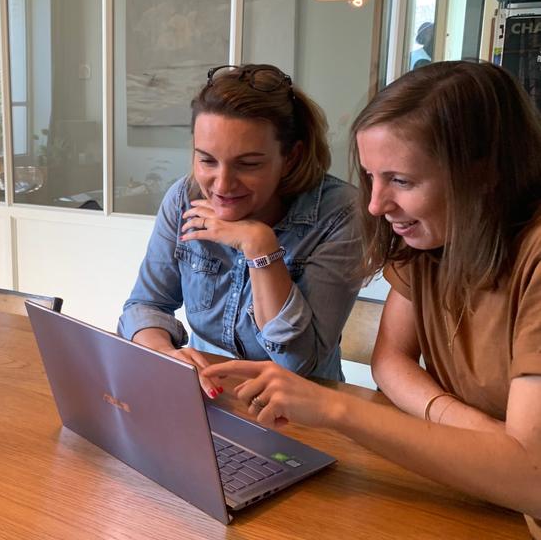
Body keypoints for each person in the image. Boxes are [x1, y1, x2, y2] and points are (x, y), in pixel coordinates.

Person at [203, 60, 541, 535]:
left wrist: (336, 408)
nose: (375, 205)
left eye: (401, 180)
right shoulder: (427, 242)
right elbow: (390, 363)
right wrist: (489, 438)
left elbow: (532, 481)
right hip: (474, 496)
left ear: (484, 172)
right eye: (370, 177)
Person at [118, 63, 362, 395]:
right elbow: (144, 306)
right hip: (211, 396)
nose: (222, 185)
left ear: (291, 157)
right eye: (206, 160)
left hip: (305, 409)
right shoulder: (183, 198)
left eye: (248, 164)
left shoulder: (341, 212)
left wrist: (261, 248)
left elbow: (299, 365)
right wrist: (167, 356)